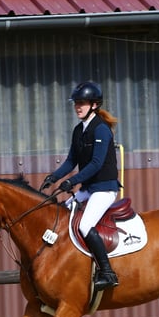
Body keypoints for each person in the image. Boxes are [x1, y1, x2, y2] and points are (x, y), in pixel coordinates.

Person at [41, 81, 120, 291]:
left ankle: (108, 272)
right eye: (76, 103)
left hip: (104, 188)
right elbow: (70, 161)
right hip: (88, 189)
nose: (78, 107)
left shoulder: (101, 130)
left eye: (82, 103)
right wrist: (54, 177)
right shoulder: (79, 130)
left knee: (84, 226)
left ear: (94, 105)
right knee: (61, 215)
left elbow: (96, 164)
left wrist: (71, 181)